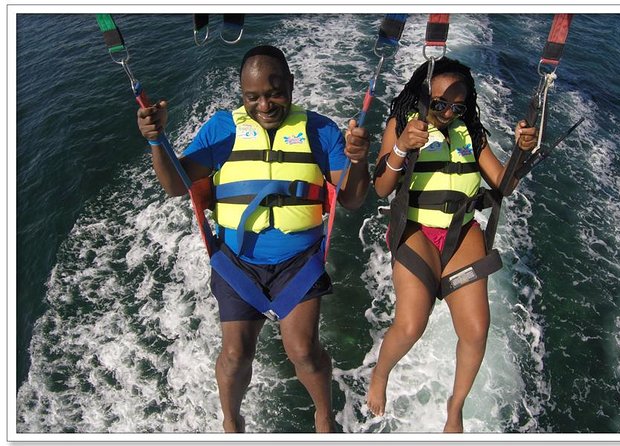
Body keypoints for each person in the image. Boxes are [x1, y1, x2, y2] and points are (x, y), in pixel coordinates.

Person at [137, 45, 370, 433]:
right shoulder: (222, 129)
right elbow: (176, 185)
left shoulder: (320, 130)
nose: (264, 104)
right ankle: (232, 422)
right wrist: (157, 140)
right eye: (252, 97)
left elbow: (352, 197)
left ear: (291, 86)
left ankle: (324, 416)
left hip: (298, 261)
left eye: (274, 93)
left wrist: (359, 160)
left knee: (303, 351)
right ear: (242, 95)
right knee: (234, 355)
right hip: (238, 262)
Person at [366, 56, 538, 432]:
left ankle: (455, 406)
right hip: (416, 229)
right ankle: (381, 373)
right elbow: (380, 187)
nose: (447, 112)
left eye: (456, 106)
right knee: (411, 325)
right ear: (422, 94)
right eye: (439, 103)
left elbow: (504, 185)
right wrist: (400, 149)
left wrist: (522, 151)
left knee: (476, 330)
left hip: (462, 232)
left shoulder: (471, 133)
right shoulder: (403, 124)